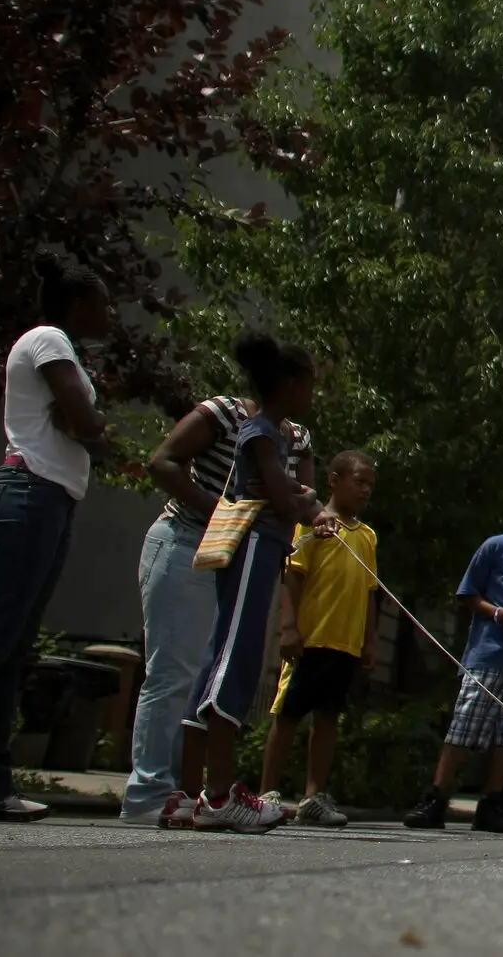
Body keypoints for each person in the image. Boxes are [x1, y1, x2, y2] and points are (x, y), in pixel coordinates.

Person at [0, 257, 112, 821]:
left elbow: (79, 422)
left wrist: (84, 423)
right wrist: (88, 423)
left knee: (14, 645)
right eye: (101, 304)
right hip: (28, 491)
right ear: (78, 305)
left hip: (51, 497)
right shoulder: (47, 339)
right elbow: (86, 424)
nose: (108, 314)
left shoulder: (66, 351)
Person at [123, 393, 315, 826]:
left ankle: (187, 794)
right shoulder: (226, 414)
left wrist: (304, 507)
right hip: (187, 542)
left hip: (240, 556)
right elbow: (163, 462)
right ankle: (150, 795)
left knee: (208, 670)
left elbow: (301, 496)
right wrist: (225, 515)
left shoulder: (297, 436)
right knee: (174, 672)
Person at [184, 332, 339, 834]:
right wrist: (305, 500)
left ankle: (192, 794)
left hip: (263, 549)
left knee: (221, 656)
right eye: (310, 385)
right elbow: (281, 496)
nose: (312, 396)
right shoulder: (263, 433)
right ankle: (220, 794)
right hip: (253, 549)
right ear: (291, 385)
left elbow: (289, 492)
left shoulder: (270, 434)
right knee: (235, 660)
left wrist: (300, 497)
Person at [404, 483, 503, 834]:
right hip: (489, 653)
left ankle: (492, 803)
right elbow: (468, 594)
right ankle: (436, 799)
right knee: (464, 725)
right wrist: (497, 613)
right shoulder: (496, 547)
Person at [258, 450, 379, 826]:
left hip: (345, 643)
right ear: (334, 479)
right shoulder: (312, 525)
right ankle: (266, 793)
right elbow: (292, 577)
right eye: (359, 482)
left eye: (370, 485)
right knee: (289, 713)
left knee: (328, 718)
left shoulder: (368, 536)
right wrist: (289, 628)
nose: (365, 490)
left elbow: (371, 592)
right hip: (311, 640)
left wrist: (368, 642)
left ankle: (313, 797)